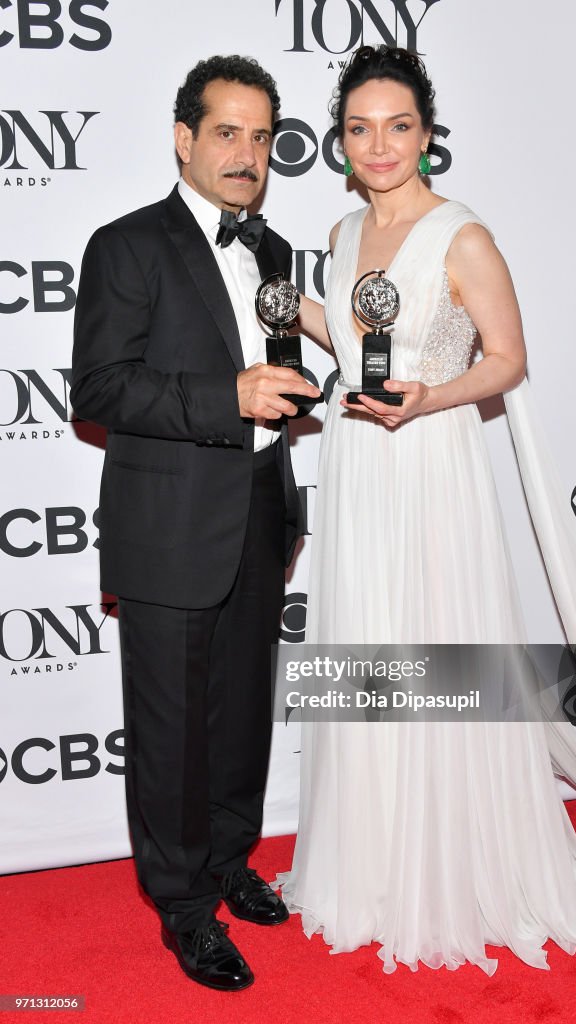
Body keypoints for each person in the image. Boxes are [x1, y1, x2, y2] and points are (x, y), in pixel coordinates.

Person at [283, 45, 576, 974]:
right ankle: (372, 861)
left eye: (399, 126)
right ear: (340, 143)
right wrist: (279, 301)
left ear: (426, 134)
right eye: (359, 128)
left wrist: (431, 397)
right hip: (357, 464)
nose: (379, 145)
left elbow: (506, 359)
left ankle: (454, 865)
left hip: (431, 463)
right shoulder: (344, 235)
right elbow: (351, 334)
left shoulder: (461, 233)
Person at [71, 55, 320, 992]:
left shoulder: (275, 251)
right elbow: (96, 387)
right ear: (184, 138)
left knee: (241, 716)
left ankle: (227, 863)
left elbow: (276, 376)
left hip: (260, 512)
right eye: (227, 132)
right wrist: (231, 395)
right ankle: (182, 908)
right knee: (173, 728)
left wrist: (298, 392)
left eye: (261, 137)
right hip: (169, 520)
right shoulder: (125, 244)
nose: (246, 154)